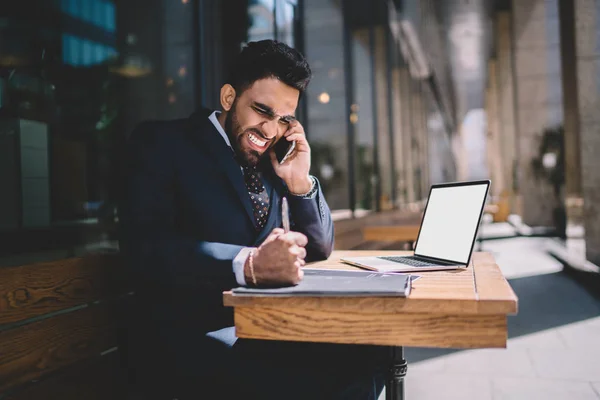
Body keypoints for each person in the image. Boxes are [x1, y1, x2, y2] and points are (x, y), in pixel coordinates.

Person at [119, 39, 386, 399]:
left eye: (284, 119)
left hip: (264, 331)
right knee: (342, 371)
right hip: (190, 342)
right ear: (229, 98)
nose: (271, 130)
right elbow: (143, 249)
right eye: (262, 110)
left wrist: (299, 182)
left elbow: (319, 248)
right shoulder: (163, 143)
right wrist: (249, 264)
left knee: (373, 349)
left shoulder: (273, 162)